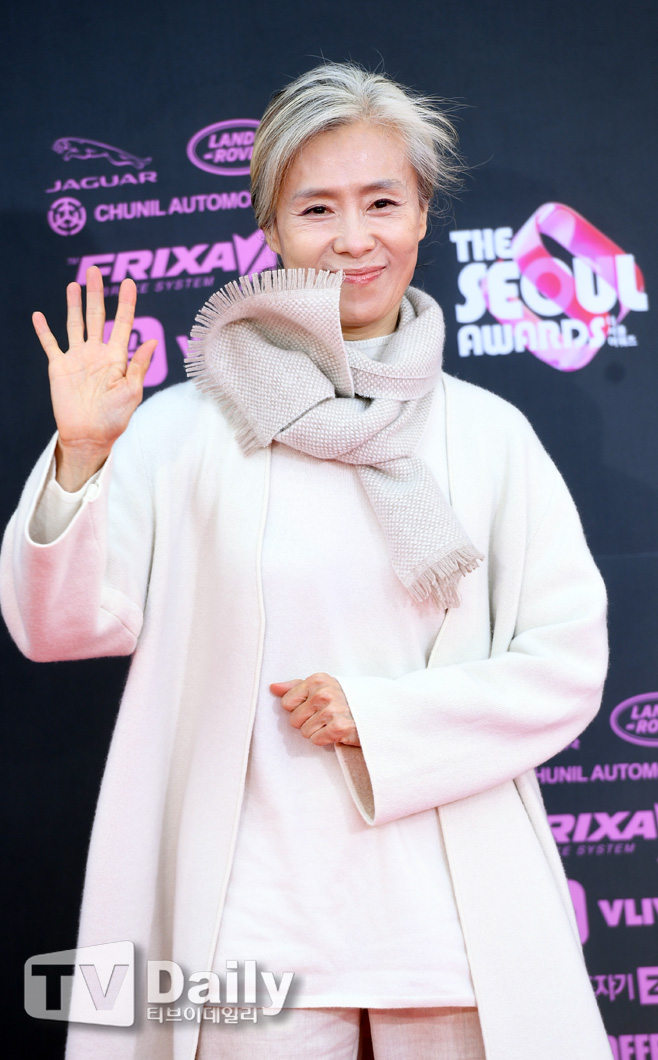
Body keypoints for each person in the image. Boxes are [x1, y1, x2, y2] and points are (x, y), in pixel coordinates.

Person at [0, 63, 612, 1060]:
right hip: (249, 936)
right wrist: (79, 455)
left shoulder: (489, 436)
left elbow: (567, 665)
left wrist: (375, 717)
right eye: (317, 208)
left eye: (382, 202)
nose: (355, 237)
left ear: (422, 215)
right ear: (272, 229)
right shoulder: (186, 429)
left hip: (449, 927)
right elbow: (58, 627)